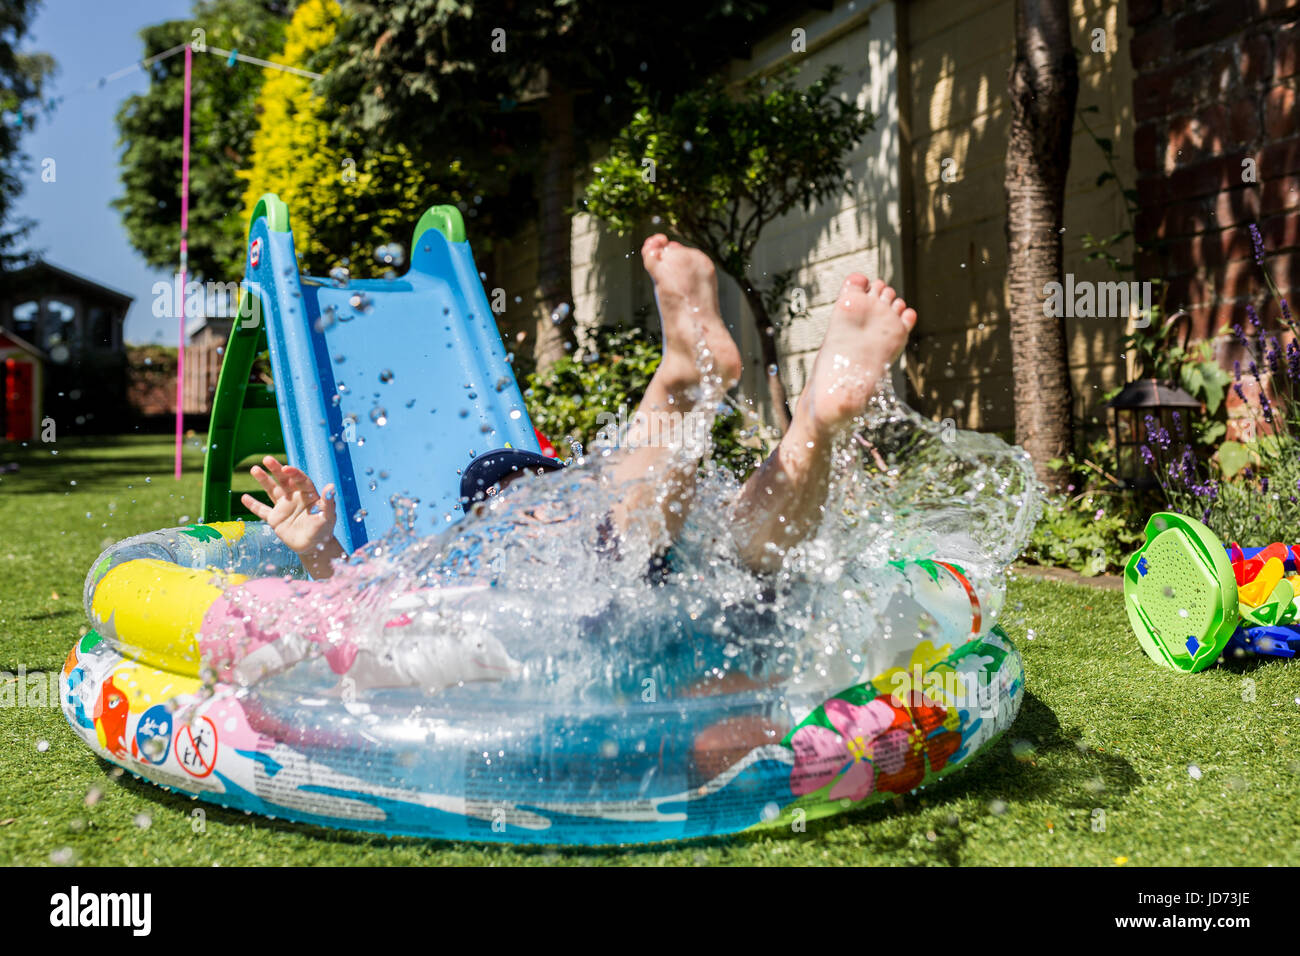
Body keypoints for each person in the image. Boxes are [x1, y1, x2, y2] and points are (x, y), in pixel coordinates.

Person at [241, 234, 917, 581]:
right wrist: (319, 548)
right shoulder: (473, 576)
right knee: (735, 555)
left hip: (648, 578)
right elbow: (365, 618)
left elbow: (359, 632)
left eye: (541, 490)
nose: (534, 505)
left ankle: (731, 393)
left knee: (713, 543)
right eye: (518, 501)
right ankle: (815, 420)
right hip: (664, 593)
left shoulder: (550, 550)